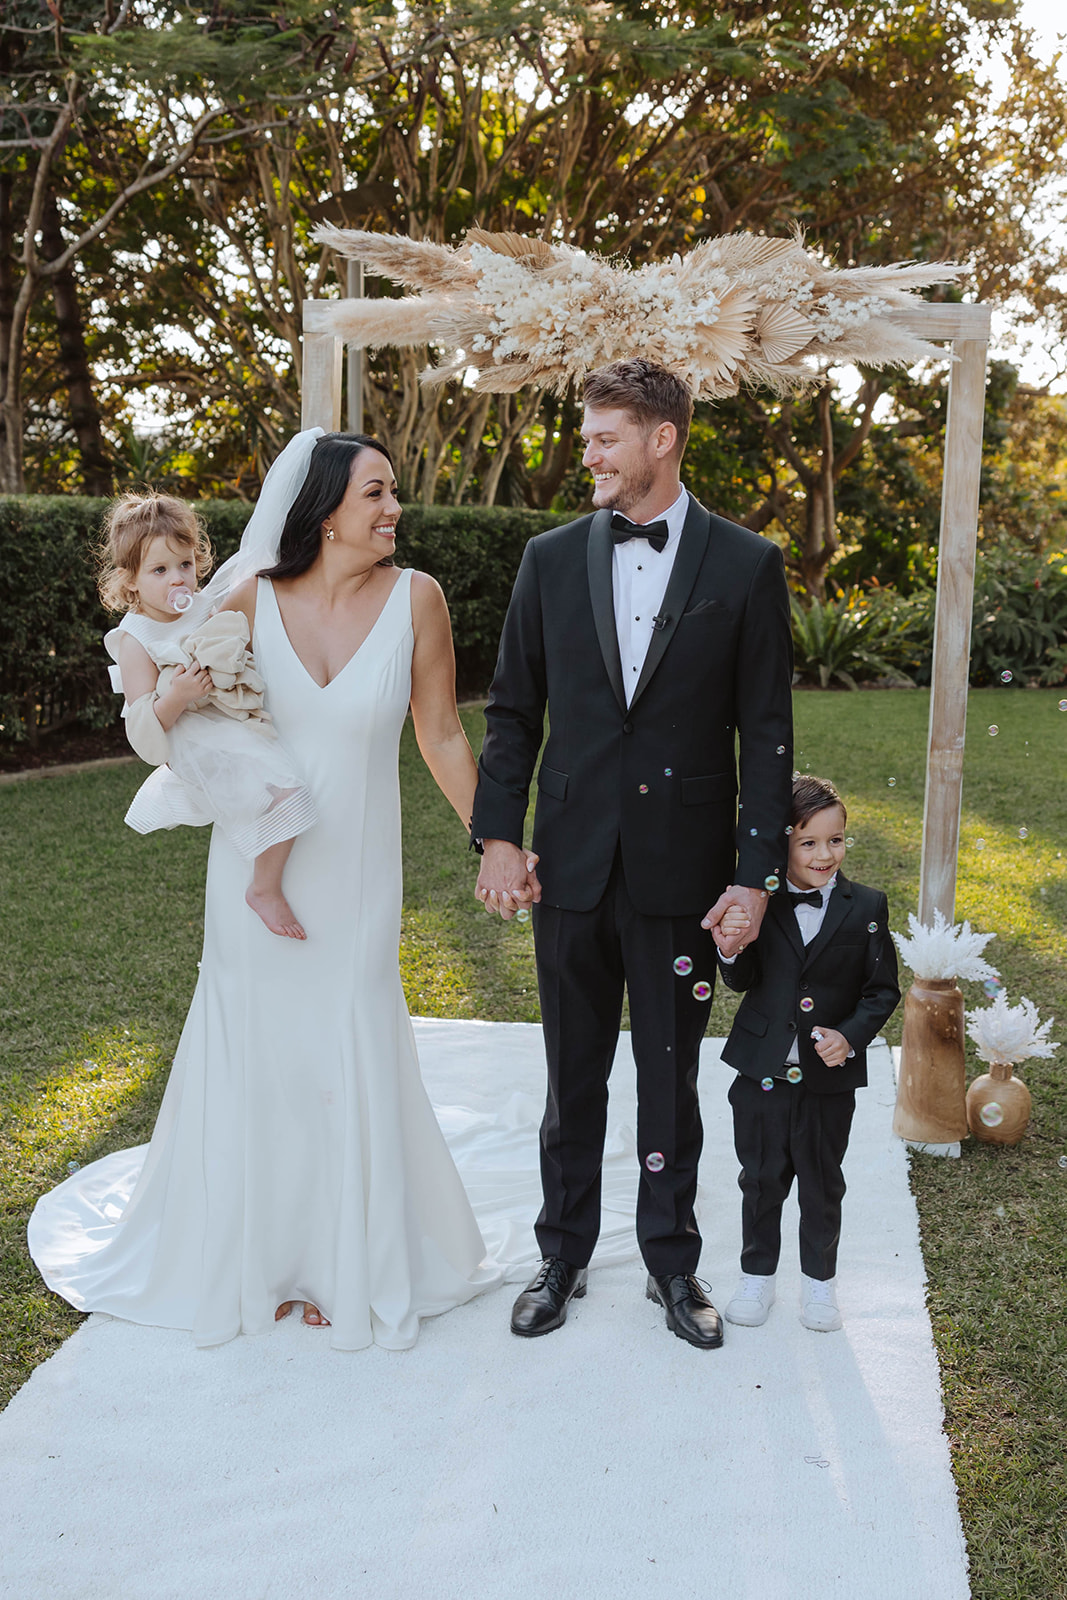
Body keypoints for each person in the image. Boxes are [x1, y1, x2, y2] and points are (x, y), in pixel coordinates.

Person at [29, 430, 499, 1349]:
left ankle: (340, 1257)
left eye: (391, 492)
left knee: (349, 1033)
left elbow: (440, 735)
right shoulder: (244, 597)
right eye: (376, 494)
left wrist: (494, 841)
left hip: (356, 869)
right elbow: (176, 713)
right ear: (324, 513)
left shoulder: (419, 600)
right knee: (260, 1045)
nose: (394, 509)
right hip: (255, 869)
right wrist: (164, 712)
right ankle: (264, 1262)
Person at [471, 358, 795, 1349]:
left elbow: (765, 732)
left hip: (682, 871)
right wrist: (496, 835)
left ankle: (669, 1260)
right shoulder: (548, 557)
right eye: (587, 437)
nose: (588, 454)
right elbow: (513, 711)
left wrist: (750, 874)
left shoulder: (745, 564)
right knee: (571, 1073)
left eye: (604, 436)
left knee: (668, 1077)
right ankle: (560, 1253)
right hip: (567, 862)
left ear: (661, 439)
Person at [714, 774, 900, 1332]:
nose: (826, 854)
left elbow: (882, 990)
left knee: (822, 1183)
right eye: (809, 842)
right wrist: (728, 948)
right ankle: (757, 1279)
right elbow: (740, 977)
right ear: (781, 845)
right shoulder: (757, 902)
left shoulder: (866, 904)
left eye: (836, 840)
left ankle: (820, 1287)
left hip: (827, 1079)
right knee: (761, 1179)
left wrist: (851, 1034)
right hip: (761, 1069)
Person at [99, 492, 316, 940]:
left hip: (228, 718)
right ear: (132, 581)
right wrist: (175, 696)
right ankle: (264, 888)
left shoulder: (203, 606)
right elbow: (141, 725)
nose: (177, 579)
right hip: (190, 736)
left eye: (184, 565)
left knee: (282, 789)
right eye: (159, 571)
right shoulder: (135, 637)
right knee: (284, 790)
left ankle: (266, 878)